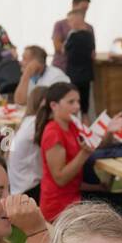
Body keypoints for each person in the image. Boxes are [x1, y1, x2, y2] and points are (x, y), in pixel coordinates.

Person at [36, 82, 93, 223]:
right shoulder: (53, 133)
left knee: (120, 199)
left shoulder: (71, 125)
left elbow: (93, 141)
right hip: (59, 206)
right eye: (71, 102)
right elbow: (60, 178)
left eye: (78, 102)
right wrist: (84, 154)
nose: (77, 107)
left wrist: (109, 130)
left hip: (74, 195)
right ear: (54, 106)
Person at [7, 85, 49, 201]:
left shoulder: (26, 121)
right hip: (29, 189)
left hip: (16, 187)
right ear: (43, 103)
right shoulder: (36, 124)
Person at [62, 8, 96, 118]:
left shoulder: (73, 36)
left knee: (74, 104)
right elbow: (92, 53)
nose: (69, 24)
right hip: (86, 75)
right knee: (85, 107)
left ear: (77, 21)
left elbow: (64, 50)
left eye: (70, 21)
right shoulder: (89, 35)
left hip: (74, 75)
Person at [52, 0, 91, 71]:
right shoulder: (60, 24)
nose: (84, 12)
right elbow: (57, 46)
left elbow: (91, 52)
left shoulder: (89, 28)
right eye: (82, 8)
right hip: (61, 68)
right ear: (74, 5)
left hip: (80, 71)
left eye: (86, 9)